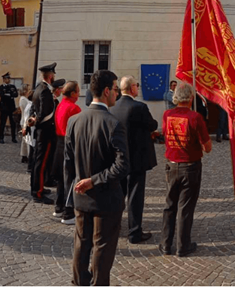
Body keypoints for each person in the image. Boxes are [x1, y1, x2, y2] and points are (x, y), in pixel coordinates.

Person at [65, 69, 129, 286]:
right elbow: (123, 166)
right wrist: (93, 180)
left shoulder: (74, 121)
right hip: (106, 200)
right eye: (114, 89)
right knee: (101, 248)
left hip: (81, 197)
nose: (117, 94)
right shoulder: (113, 124)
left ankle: (79, 283)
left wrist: (74, 188)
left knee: (81, 246)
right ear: (105, 91)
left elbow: (68, 164)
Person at [160, 83, 212, 257]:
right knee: (185, 207)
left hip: (171, 164)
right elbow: (208, 147)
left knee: (169, 206)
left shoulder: (167, 115)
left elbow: (165, 134)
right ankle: (183, 245)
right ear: (190, 98)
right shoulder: (195, 117)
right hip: (190, 166)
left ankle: (166, 244)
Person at [110, 76, 159, 244]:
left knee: (119, 194)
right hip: (137, 159)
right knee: (135, 197)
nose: (138, 88)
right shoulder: (139, 107)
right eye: (136, 86)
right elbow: (152, 125)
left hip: (119, 159)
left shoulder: (113, 106)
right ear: (132, 88)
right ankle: (134, 232)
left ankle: (113, 227)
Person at [29, 62, 58, 204]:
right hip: (45, 130)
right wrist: (37, 120)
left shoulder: (38, 88)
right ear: (51, 76)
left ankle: (36, 187)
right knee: (41, 162)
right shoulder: (45, 91)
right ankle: (37, 192)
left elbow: (34, 109)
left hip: (40, 130)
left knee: (37, 160)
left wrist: (33, 119)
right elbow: (44, 112)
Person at [54, 81, 82, 225]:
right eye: (78, 91)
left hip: (59, 143)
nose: (79, 94)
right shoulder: (74, 108)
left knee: (61, 178)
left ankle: (58, 207)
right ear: (73, 94)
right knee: (70, 179)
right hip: (69, 144)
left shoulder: (60, 105)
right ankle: (68, 213)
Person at [0, 72, 19, 144]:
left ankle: (13, 138)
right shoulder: (1, 87)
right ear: (4, 79)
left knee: (13, 123)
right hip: (3, 108)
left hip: (11, 108)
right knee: (2, 123)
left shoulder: (12, 86)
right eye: (7, 79)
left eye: (9, 78)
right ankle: (1, 138)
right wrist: (10, 95)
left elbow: (16, 94)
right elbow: (2, 96)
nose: (8, 80)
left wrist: (8, 94)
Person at [19, 85, 33, 165]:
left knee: (24, 140)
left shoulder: (24, 99)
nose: (30, 91)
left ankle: (24, 155)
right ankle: (27, 155)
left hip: (24, 120)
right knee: (26, 140)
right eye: (28, 90)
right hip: (25, 121)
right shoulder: (23, 99)